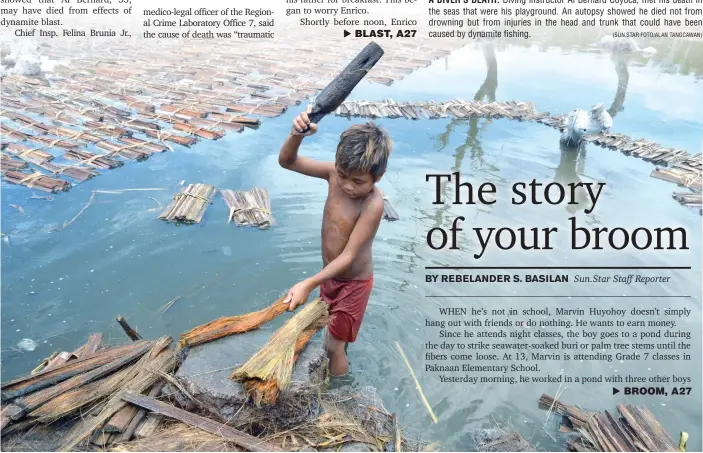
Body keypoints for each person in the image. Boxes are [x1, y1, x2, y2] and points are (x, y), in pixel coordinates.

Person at [278, 106, 391, 377]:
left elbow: (349, 256)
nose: (348, 186)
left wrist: (308, 283)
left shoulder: (372, 204)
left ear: (377, 178)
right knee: (326, 331)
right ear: (337, 166)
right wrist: (297, 134)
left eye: (358, 181)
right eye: (343, 175)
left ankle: (337, 395)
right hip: (330, 275)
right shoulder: (332, 175)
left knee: (332, 347)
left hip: (353, 284)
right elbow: (287, 161)